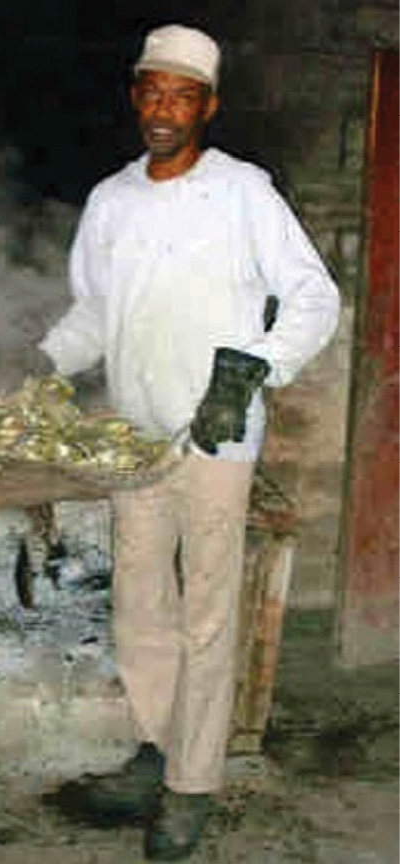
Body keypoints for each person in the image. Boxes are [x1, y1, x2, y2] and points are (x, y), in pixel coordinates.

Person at [34, 23, 341, 862]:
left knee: (207, 613)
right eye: (152, 90)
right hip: (133, 441)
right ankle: (154, 743)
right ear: (135, 95)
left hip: (216, 437)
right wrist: (45, 360)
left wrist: (252, 371)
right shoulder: (111, 201)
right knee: (139, 602)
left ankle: (191, 784)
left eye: (183, 95)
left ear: (209, 106)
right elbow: (93, 312)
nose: (164, 109)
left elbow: (313, 298)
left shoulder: (243, 192)